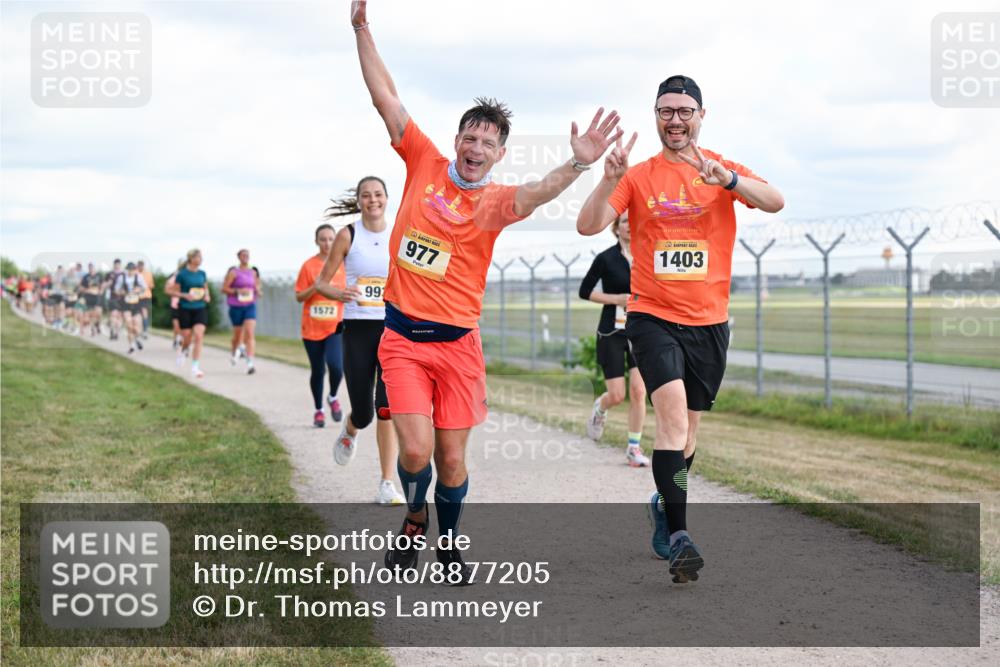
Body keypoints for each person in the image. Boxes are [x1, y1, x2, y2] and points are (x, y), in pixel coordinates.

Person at [349, 0, 624, 582]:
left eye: (488, 143)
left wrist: (577, 166)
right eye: (470, 137)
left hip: (458, 347)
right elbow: (385, 98)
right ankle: (414, 520)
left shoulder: (496, 202)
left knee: (451, 460)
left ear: (500, 154)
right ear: (457, 140)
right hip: (402, 340)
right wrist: (361, 27)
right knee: (416, 452)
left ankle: (448, 544)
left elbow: (538, 191)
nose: (476, 149)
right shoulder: (423, 161)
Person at [577, 75, 784, 583]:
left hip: (709, 323)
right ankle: (680, 538)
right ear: (656, 117)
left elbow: (775, 200)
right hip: (652, 317)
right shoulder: (638, 176)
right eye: (666, 111)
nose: (675, 119)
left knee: (688, 433)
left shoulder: (719, 168)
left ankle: (663, 505)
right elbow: (588, 224)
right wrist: (606, 179)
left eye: (684, 111)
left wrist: (729, 181)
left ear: (700, 116)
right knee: (669, 420)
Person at [315, 176, 406, 506]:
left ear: (387, 198)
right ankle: (351, 429)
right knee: (365, 412)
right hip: (357, 330)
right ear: (359, 201)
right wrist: (339, 292)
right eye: (366, 195)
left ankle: (386, 483)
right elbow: (321, 283)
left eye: (378, 194)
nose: (373, 200)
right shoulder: (348, 235)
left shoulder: (399, 233)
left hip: (392, 328)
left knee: (387, 407)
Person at [579, 214, 649, 467]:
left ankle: (633, 448)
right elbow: (585, 291)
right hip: (612, 331)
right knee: (618, 395)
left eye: (634, 221)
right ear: (616, 228)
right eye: (624, 221)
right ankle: (601, 407)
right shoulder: (606, 258)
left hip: (640, 330)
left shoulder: (648, 255)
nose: (630, 225)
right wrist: (616, 299)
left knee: (639, 391)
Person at [295, 225, 347, 428]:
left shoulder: (343, 265)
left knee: (336, 366)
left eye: (331, 239)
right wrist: (315, 287)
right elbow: (299, 297)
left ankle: (333, 396)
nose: (327, 243)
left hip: (335, 326)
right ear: (316, 241)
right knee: (318, 371)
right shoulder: (308, 266)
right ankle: (319, 411)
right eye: (323, 239)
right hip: (312, 328)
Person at [167, 249, 210, 379]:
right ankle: (184, 350)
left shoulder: (202, 273)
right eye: (197, 257)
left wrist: (207, 295)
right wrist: (184, 295)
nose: (200, 260)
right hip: (185, 308)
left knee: (199, 335)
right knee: (187, 337)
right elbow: (173, 292)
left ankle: (195, 367)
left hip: (200, 307)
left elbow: (205, 287)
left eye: (201, 257)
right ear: (191, 259)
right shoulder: (182, 274)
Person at [221, 249, 260, 375]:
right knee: (237, 337)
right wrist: (238, 291)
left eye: (247, 255)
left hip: (250, 305)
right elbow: (224, 289)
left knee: (249, 333)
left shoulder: (253, 272)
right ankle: (235, 351)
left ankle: (250, 363)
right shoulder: (233, 272)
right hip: (236, 306)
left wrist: (258, 292)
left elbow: (256, 287)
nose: (245, 257)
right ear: (239, 257)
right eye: (243, 255)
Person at [115, 262, 147, 354]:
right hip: (126, 304)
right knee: (129, 325)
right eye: (129, 269)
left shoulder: (139, 277)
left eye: (132, 269)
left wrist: (138, 290)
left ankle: (137, 338)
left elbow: (144, 288)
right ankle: (131, 346)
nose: (131, 271)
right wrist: (122, 292)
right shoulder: (121, 278)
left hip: (136, 303)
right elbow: (116, 290)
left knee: (137, 326)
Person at [80, 263, 104, 336]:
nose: (91, 269)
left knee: (99, 312)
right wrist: (87, 290)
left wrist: (101, 290)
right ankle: (92, 328)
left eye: (92, 268)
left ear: (94, 268)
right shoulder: (86, 277)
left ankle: (98, 324)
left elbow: (102, 285)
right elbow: (81, 287)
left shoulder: (99, 276)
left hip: (97, 296)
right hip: (89, 297)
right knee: (91, 313)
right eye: (89, 268)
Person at [104, 259, 126, 341]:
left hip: (122, 298)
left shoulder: (124, 274)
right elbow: (104, 284)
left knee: (119, 316)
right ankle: (112, 331)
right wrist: (108, 284)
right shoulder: (109, 274)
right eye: (116, 264)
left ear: (120, 265)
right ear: (114, 265)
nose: (117, 266)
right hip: (112, 297)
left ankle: (116, 333)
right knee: (113, 314)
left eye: (118, 264)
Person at [137, 260, 154, 339]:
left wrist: (144, 287)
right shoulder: (135, 273)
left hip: (145, 296)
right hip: (136, 296)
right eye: (139, 266)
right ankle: (140, 330)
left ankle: (145, 331)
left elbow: (151, 285)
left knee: (144, 313)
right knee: (138, 314)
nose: (140, 267)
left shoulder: (148, 274)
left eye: (141, 265)